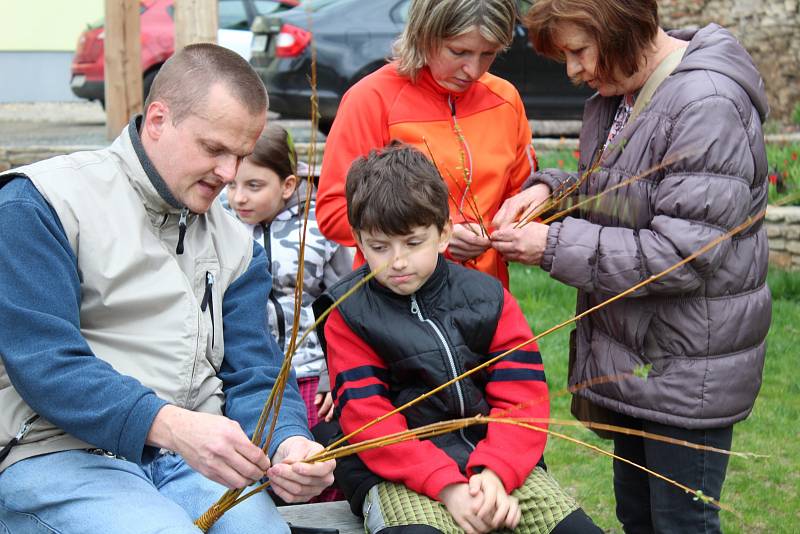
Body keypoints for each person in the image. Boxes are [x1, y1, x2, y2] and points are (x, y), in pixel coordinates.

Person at [0, 44, 335, 534]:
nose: (229, 174)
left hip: (186, 460)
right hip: (56, 451)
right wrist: (172, 426)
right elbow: (45, 363)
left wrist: (288, 441)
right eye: (214, 149)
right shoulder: (42, 203)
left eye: (240, 154)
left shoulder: (236, 245)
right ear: (157, 119)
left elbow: (254, 374)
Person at [490, 2, 771, 532]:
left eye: (577, 51)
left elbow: (681, 257)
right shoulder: (623, 94)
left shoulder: (706, 104)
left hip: (687, 369)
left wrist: (550, 245)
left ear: (617, 28)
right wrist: (549, 192)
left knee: (679, 524)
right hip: (643, 364)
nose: (572, 70)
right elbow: (620, 195)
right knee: (638, 519)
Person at [314, 144, 601, 534]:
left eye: (413, 243)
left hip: (496, 460)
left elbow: (523, 398)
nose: (397, 261)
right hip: (398, 471)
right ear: (359, 242)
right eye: (379, 247)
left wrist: (496, 473)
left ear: (444, 232)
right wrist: (448, 486)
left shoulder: (489, 297)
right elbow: (370, 423)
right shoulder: (349, 313)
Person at [316, 0, 536, 289]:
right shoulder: (370, 99)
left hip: (487, 297)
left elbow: (523, 194)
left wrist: (516, 224)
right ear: (423, 35)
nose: (473, 70)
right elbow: (334, 212)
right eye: (459, 51)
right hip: (397, 301)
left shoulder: (505, 99)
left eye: (488, 54)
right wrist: (434, 236)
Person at [224, 122, 353, 429]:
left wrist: (332, 372)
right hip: (249, 374)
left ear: (287, 185)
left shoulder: (319, 231)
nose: (239, 198)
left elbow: (343, 306)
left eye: (254, 186)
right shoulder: (220, 228)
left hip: (310, 370)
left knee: (307, 453)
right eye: (232, 185)